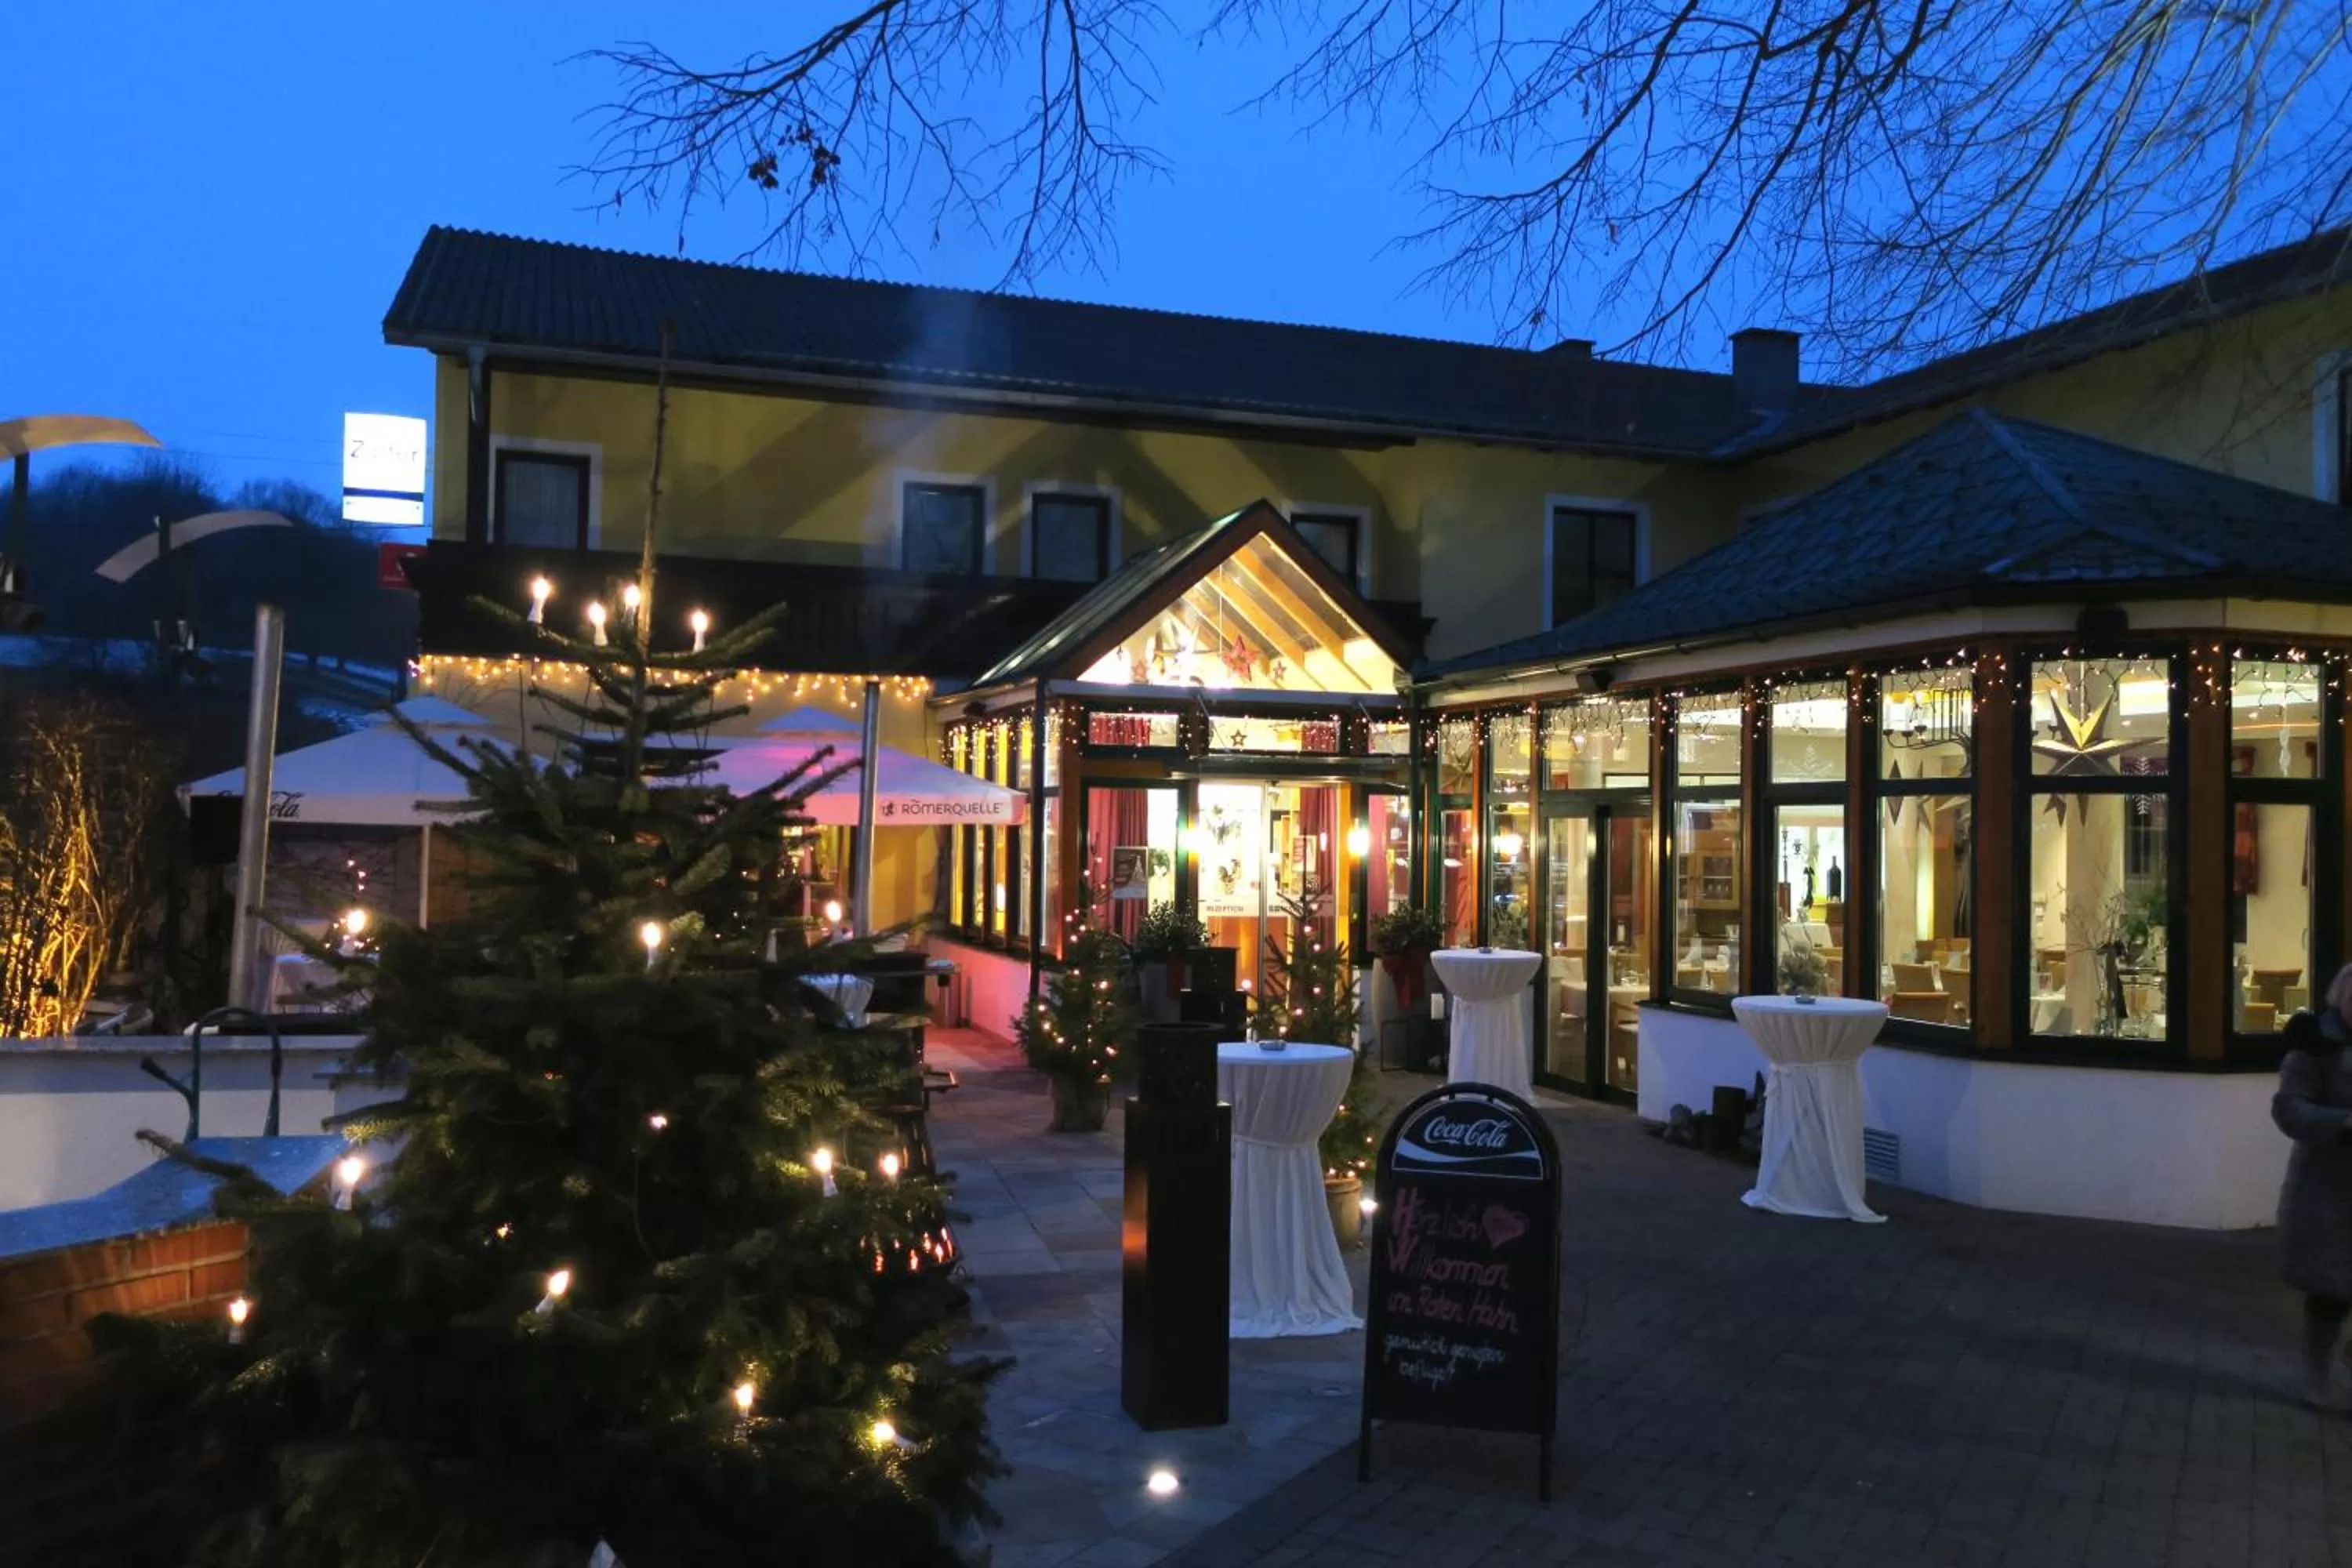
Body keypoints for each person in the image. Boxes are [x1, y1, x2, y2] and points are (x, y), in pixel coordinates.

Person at [2272, 962, 2352, 1409]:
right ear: (2339, 999)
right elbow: (2289, 1109)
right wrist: (2343, 1123)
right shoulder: (2313, 1045)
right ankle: (2316, 1376)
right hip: (2329, 1190)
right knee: (2330, 1293)